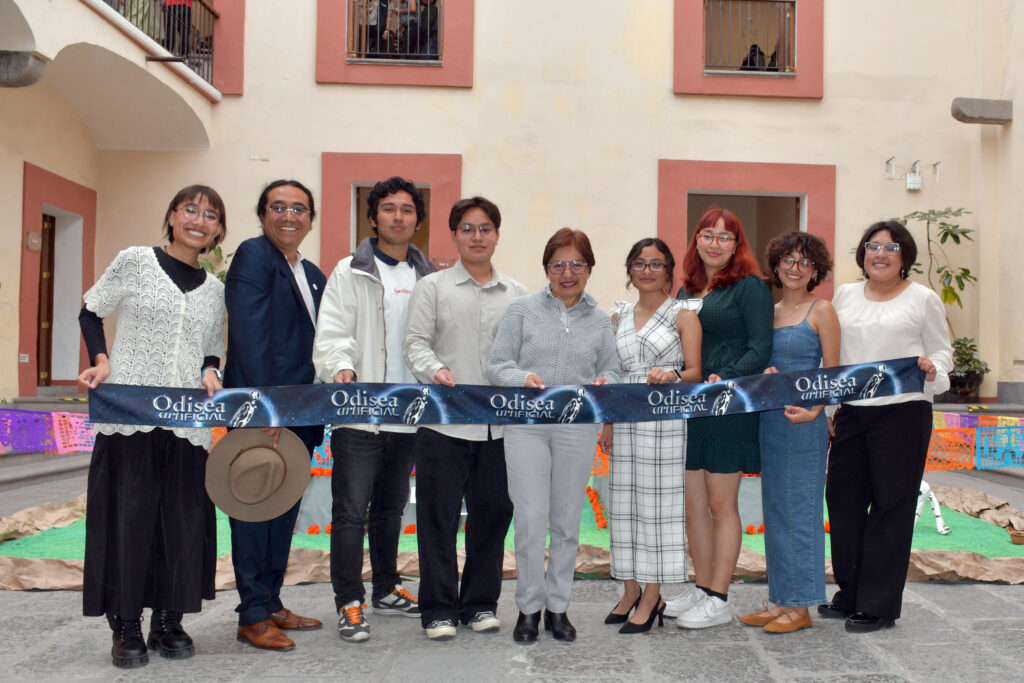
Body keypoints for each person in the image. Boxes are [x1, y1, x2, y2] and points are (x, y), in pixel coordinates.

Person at [78, 185, 226, 669]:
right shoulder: (136, 261)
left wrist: (211, 370)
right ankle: (125, 624)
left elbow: (210, 348)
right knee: (130, 518)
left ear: (218, 231)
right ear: (172, 215)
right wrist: (101, 360)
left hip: (187, 425)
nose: (199, 220)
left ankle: (168, 619)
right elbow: (91, 309)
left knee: (181, 522)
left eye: (210, 215)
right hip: (130, 417)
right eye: (191, 210)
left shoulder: (215, 290)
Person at [313, 176, 436, 643]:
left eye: (407, 209)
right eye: (389, 208)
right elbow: (334, 331)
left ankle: (386, 588)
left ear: (417, 221)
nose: (398, 217)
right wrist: (341, 367)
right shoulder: (350, 271)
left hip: (409, 414)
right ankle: (349, 600)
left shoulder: (429, 278)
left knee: (390, 508)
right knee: (350, 511)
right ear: (373, 217)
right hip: (360, 412)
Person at [488, 227, 621, 644]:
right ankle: (528, 608)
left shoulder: (599, 320)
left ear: (589, 269)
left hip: (576, 429)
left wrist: (606, 380)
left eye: (577, 264)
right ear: (546, 269)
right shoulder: (521, 310)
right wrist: (522, 378)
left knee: (565, 521)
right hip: (527, 426)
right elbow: (497, 365)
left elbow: (612, 368)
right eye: (558, 264)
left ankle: (558, 608)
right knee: (530, 519)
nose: (568, 272)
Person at [403, 196, 527, 641]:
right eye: (468, 229)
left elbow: (525, 353)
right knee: (437, 519)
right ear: (454, 235)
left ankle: (479, 604)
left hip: (500, 430)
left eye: (485, 228)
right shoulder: (432, 287)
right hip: (444, 423)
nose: (477, 237)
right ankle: (438, 609)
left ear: (497, 234)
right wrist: (434, 370)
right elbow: (415, 342)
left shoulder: (517, 294)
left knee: (492, 518)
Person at [821, 221, 952, 632]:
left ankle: (877, 604)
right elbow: (833, 354)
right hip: (852, 412)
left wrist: (933, 368)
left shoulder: (923, 299)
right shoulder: (845, 295)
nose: (880, 254)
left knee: (890, 508)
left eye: (891, 247)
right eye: (873, 247)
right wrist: (828, 407)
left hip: (903, 413)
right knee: (842, 502)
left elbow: (942, 352)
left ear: (905, 256)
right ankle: (850, 593)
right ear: (862, 254)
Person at [224, 179, 327, 651]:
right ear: (263, 214)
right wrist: (267, 406)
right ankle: (251, 615)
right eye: (278, 207)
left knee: (282, 509)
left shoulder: (311, 273)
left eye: (299, 209)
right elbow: (249, 336)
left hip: (300, 413)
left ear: (311, 219)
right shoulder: (254, 256)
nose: (289, 216)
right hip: (262, 412)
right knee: (253, 511)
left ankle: (270, 602)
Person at [667, 207, 773, 628]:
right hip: (692, 406)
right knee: (694, 504)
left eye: (724, 237)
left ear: (736, 245)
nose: (714, 243)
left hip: (729, 406)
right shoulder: (688, 289)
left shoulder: (750, 287)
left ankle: (719, 597)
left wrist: (723, 379)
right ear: (696, 240)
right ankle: (701, 587)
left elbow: (760, 347)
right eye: (707, 235)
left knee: (720, 503)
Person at [598, 238, 702, 634]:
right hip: (624, 417)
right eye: (640, 263)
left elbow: (695, 372)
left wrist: (672, 374)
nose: (647, 270)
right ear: (630, 270)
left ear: (668, 271)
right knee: (622, 505)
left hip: (664, 420)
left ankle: (653, 594)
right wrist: (608, 422)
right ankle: (630, 590)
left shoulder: (683, 314)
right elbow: (611, 373)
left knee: (657, 509)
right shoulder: (618, 315)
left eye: (656, 264)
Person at [738, 231, 840, 634]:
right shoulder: (768, 311)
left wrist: (815, 412)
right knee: (776, 512)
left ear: (816, 270)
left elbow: (833, 373)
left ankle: (800, 607)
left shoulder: (822, 310)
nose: (795, 268)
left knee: (801, 513)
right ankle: (781, 599)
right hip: (769, 422)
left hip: (803, 424)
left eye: (805, 262)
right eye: (788, 260)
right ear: (776, 264)